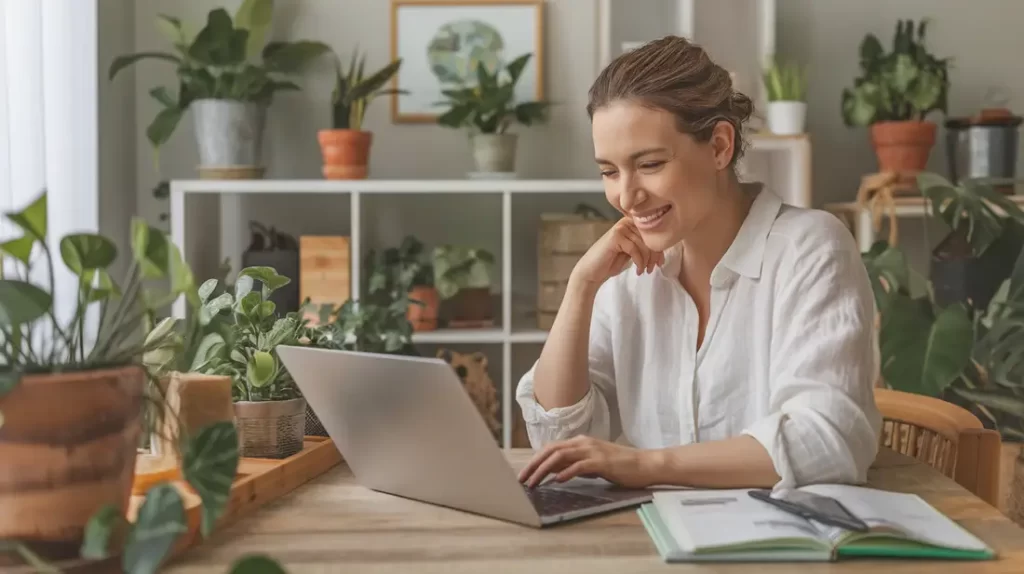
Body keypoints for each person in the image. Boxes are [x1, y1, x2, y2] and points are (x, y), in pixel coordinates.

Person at [515, 36, 882, 492]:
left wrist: (646, 465)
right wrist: (580, 288)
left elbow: (827, 440)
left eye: (649, 164)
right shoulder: (629, 276)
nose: (626, 196)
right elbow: (558, 439)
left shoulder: (809, 250)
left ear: (720, 146)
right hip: (651, 544)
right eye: (609, 172)